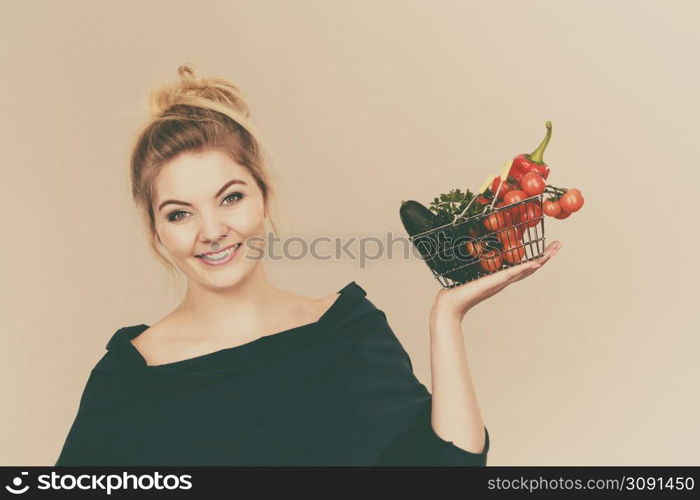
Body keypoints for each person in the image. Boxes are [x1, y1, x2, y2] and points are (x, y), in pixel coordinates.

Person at [55, 64, 562, 466]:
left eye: (230, 198)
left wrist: (447, 319)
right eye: (180, 212)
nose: (210, 230)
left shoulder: (349, 333)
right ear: (156, 232)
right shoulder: (132, 378)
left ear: (263, 198)